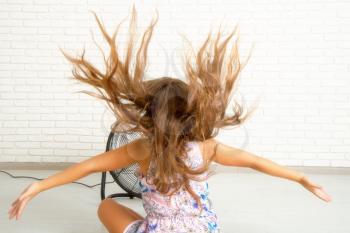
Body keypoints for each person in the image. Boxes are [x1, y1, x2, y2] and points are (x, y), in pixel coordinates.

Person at [8, 4, 332, 233]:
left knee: (106, 206)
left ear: (149, 115)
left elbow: (90, 166)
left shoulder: (140, 149)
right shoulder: (207, 146)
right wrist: (300, 177)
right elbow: (253, 161)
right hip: (207, 231)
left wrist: (39, 185)